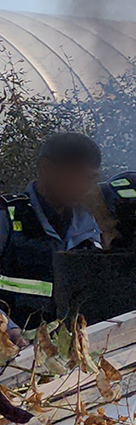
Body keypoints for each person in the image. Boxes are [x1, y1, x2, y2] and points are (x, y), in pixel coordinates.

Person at [1, 132, 105, 343]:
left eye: (90, 178)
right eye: (76, 175)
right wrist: (6, 328)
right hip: (10, 360)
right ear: (46, 169)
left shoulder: (88, 228)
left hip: (65, 360)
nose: (84, 186)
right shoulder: (7, 217)